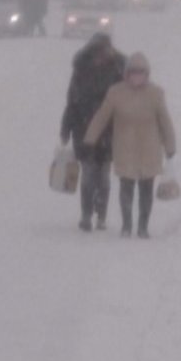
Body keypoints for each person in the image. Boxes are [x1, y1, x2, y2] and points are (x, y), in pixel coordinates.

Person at [83, 52, 176, 239]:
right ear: (127, 73)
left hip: (149, 150)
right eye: (133, 72)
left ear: (147, 73)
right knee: (126, 189)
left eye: (141, 72)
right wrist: (90, 139)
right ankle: (127, 225)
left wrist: (170, 145)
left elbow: (165, 121)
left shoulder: (155, 94)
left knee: (146, 190)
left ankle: (143, 227)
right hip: (125, 149)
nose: (137, 76)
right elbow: (102, 117)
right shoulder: (116, 93)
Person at [60, 33, 125, 232]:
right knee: (88, 176)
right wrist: (66, 128)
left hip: (109, 132)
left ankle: (101, 215)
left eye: (104, 52)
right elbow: (72, 102)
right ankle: (86, 215)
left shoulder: (118, 71)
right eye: (98, 53)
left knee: (104, 177)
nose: (101, 57)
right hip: (83, 131)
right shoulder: (81, 72)